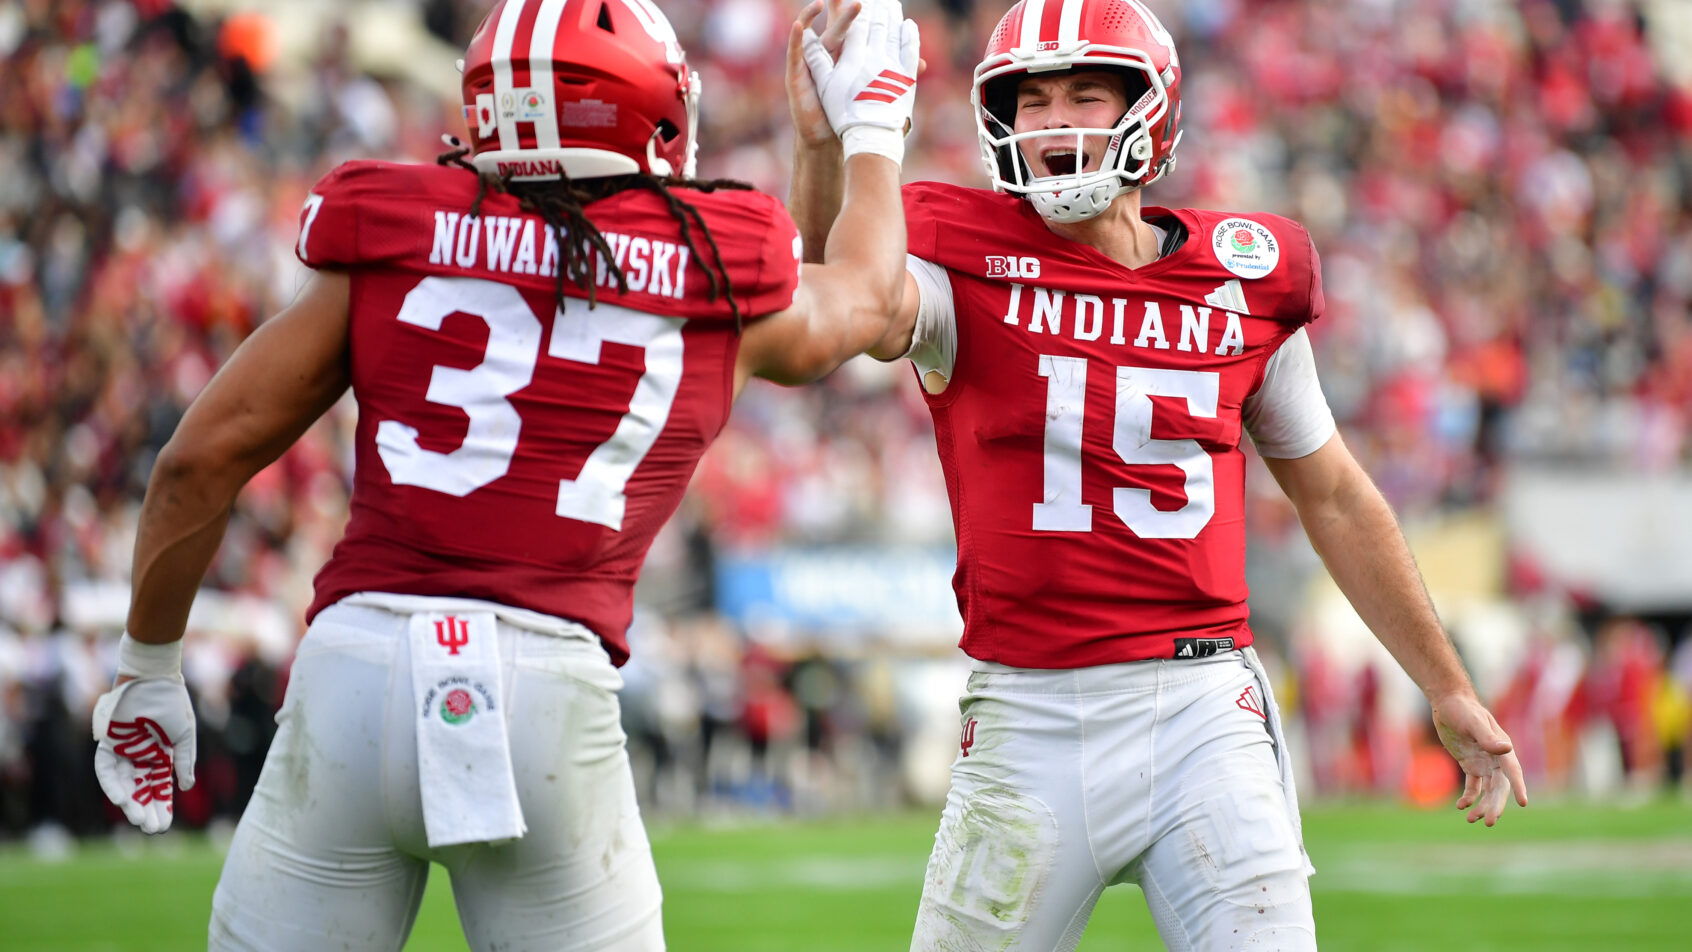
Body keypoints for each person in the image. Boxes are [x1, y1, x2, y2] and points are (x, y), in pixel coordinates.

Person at [89, 0, 920, 948]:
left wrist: (147, 664)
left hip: (353, 672)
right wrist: (868, 135)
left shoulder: (394, 226)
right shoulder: (714, 261)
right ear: (653, 112)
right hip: (548, 686)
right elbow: (863, 297)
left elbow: (199, 463)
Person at [788, 1, 1528, 949]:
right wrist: (825, 149)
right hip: (1027, 713)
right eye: (1034, 101)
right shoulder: (958, 255)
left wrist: (1446, 682)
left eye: (1085, 96)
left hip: (1202, 713)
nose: (1055, 123)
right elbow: (827, 305)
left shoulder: (1246, 277)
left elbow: (1334, 493)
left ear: (1150, 108)